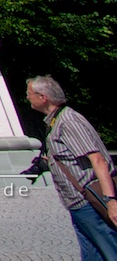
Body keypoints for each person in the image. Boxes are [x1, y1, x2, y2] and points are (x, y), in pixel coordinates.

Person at [26, 76, 117, 261]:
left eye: (29, 93)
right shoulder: (56, 121)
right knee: (93, 255)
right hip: (79, 203)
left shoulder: (68, 121)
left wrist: (110, 200)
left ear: (43, 97)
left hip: (90, 201)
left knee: (110, 251)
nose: (27, 97)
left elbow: (98, 160)